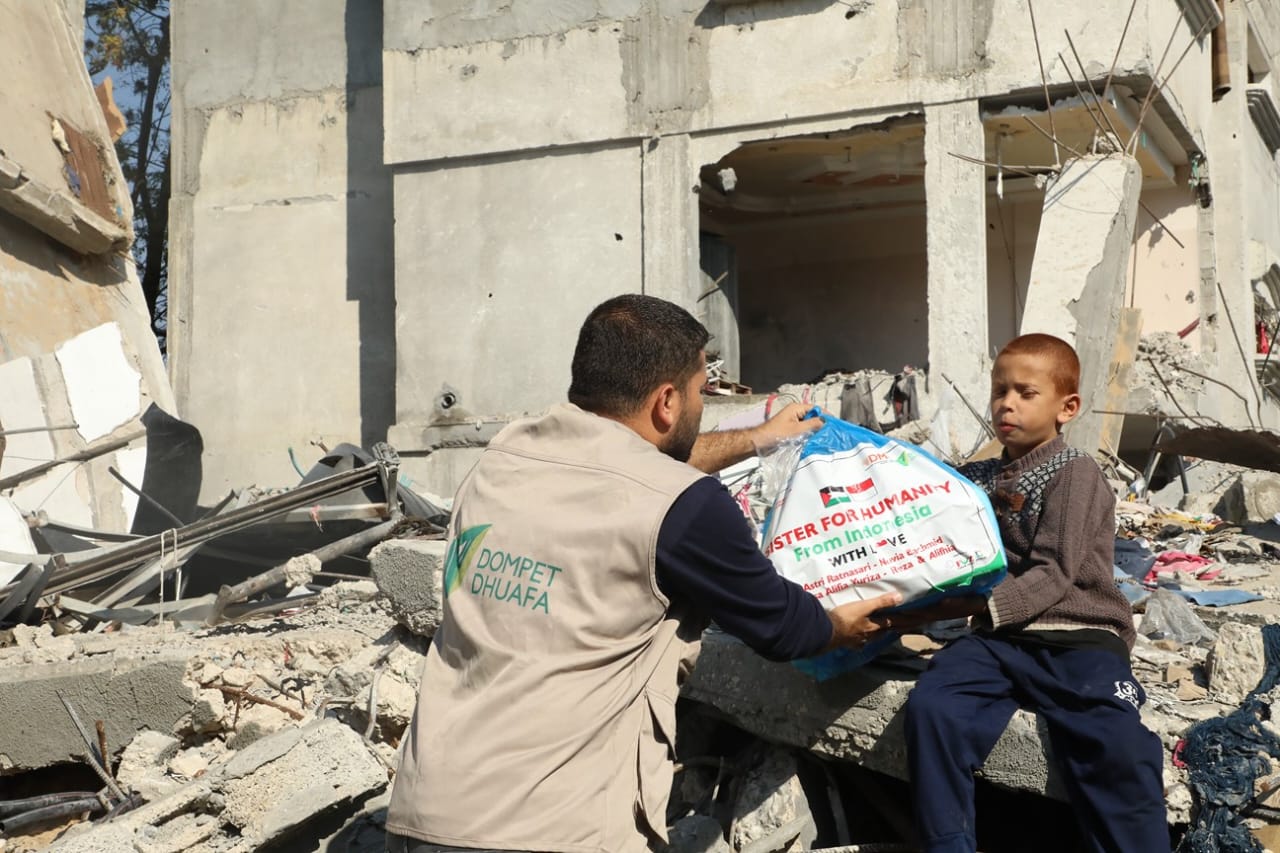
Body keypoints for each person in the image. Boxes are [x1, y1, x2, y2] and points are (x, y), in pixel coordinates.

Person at [385, 294, 901, 853]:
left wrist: (757, 439)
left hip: (425, 812)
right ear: (666, 402)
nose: (705, 404)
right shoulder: (687, 509)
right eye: (703, 392)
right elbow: (784, 627)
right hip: (552, 829)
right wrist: (845, 625)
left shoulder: (503, 459)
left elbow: (633, 469)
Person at [895, 333, 1168, 853]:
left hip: (1078, 637)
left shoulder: (1075, 473)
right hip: (1002, 640)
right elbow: (933, 516)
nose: (1007, 404)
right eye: (1000, 390)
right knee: (935, 706)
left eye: (1025, 393)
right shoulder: (977, 475)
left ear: (1067, 408)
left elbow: (1056, 570)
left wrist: (980, 608)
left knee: (1118, 744)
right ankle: (948, 844)